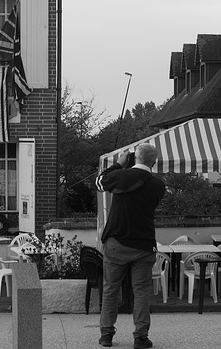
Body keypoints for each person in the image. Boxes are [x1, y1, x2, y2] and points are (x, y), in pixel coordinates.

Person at [95, 144, 165, 349]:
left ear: (135, 158)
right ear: (153, 161)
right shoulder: (158, 186)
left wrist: (118, 165)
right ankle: (140, 336)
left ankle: (106, 334)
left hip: (117, 242)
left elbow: (99, 183)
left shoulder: (121, 177)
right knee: (142, 290)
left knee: (110, 289)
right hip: (143, 244)